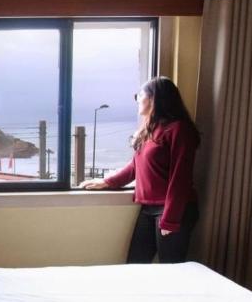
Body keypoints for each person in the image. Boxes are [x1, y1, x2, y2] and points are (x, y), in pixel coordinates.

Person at [81, 76, 200, 263]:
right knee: (135, 264)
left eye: (139, 95)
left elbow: (181, 177)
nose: (137, 100)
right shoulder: (150, 129)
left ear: (154, 98)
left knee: (171, 268)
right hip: (148, 208)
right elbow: (135, 166)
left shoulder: (179, 129)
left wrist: (170, 219)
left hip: (174, 210)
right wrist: (106, 182)